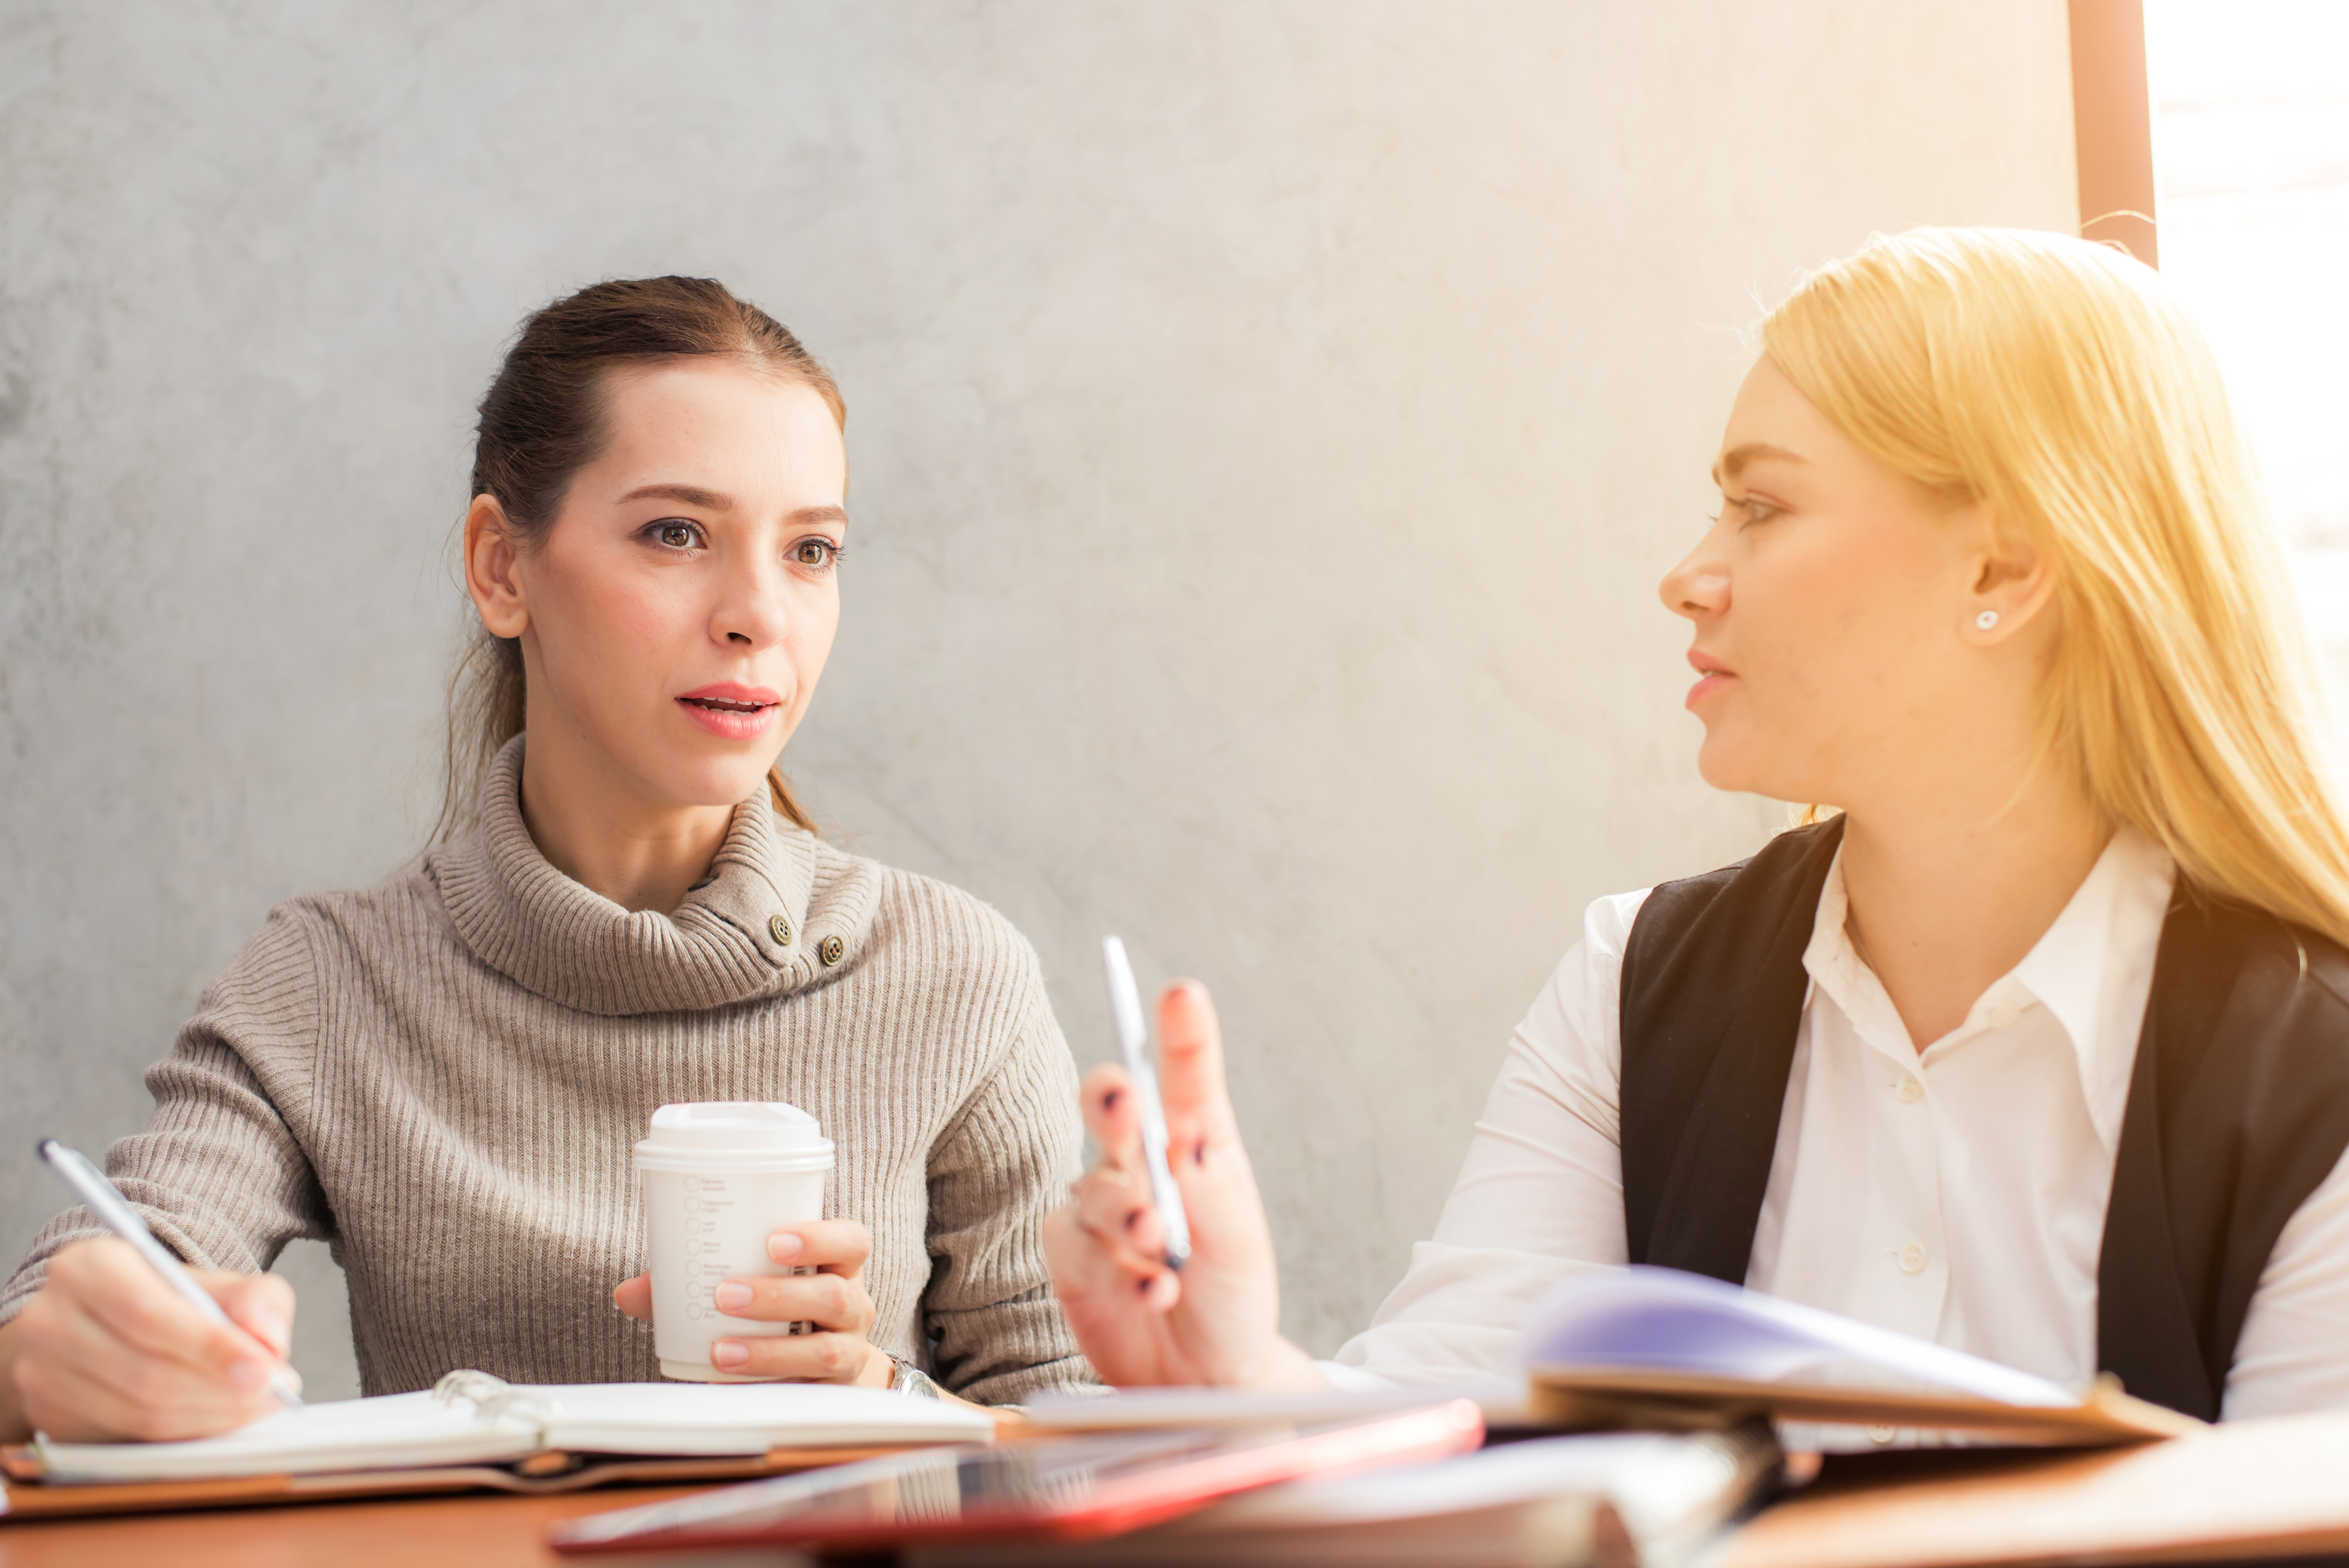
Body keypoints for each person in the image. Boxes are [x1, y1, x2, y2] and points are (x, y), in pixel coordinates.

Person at [1046, 227, 2349, 1426]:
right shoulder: (1634, 985)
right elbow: (1452, 1440)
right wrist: (1236, 1374)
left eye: (1762, 507)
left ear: (2003, 571)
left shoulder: (2314, 1067)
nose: (1688, 576)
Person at [0, 277, 1090, 1443]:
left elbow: (1089, 1437)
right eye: (677, 533)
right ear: (501, 569)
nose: (759, 615)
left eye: (811, 549)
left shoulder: (956, 976)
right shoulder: (328, 984)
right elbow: (96, 1287)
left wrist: (893, 1407)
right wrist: (53, 1363)